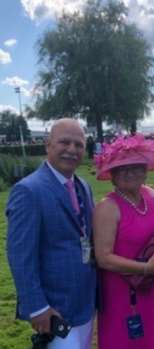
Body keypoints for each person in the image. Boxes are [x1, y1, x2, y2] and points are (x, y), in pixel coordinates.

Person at [6, 118, 97, 348]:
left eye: (79, 145)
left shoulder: (83, 185)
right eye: (64, 142)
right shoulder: (28, 190)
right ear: (48, 144)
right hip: (54, 311)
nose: (72, 150)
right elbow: (20, 256)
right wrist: (37, 307)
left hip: (85, 304)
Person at [92, 133, 154, 349]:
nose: (131, 173)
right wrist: (146, 268)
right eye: (122, 168)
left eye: (137, 166)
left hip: (150, 287)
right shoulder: (107, 208)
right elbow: (103, 258)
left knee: (149, 340)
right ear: (112, 175)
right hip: (122, 293)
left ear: (146, 170)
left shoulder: (150, 195)